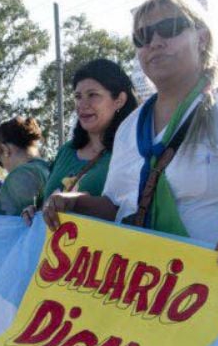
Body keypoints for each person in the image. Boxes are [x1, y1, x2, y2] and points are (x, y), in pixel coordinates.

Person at [41, 0, 218, 274]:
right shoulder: (129, 128)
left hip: (214, 291)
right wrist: (77, 202)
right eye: (142, 36)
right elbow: (118, 206)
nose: (154, 41)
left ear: (201, 38)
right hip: (144, 293)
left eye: (169, 27)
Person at [22, 59, 137, 225]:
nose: (82, 105)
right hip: (52, 249)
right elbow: (45, 202)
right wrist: (33, 212)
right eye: (78, 96)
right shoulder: (65, 151)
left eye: (93, 95)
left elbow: (129, 212)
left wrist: (78, 202)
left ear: (119, 100)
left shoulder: (132, 152)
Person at [0, 116, 50, 216]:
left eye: (0, 161)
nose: (4, 167)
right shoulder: (48, 169)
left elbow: (1, 226)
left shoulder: (20, 176)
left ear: (5, 150)